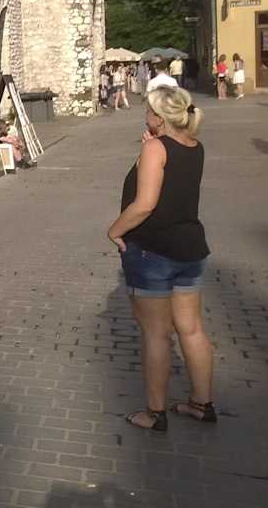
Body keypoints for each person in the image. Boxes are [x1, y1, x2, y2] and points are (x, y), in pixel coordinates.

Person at [107, 86, 215, 431]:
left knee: (156, 334)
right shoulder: (193, 146)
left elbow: (145, 204)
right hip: (190, 247)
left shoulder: (156, 147)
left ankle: (154, 413)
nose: (145, 116)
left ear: (158, 116)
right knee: (191, 327)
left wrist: (115, 230)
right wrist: (146, 151)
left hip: (153, 250)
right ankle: (201, 402)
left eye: (148, 111)